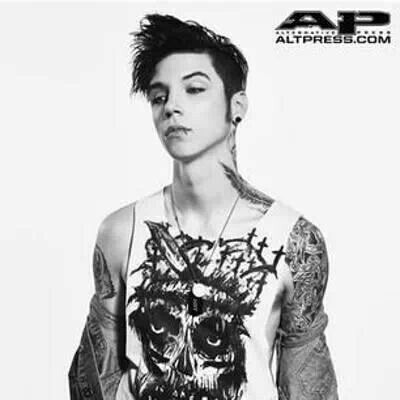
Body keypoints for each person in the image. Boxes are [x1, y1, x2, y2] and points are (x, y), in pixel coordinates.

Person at [69, 13, 338, 400]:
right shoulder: (121, 231)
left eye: (194, 89)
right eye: (159, 97)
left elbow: (308, 388)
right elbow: (91, 382)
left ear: (237, 105)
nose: (171, 107)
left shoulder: (295, 242)